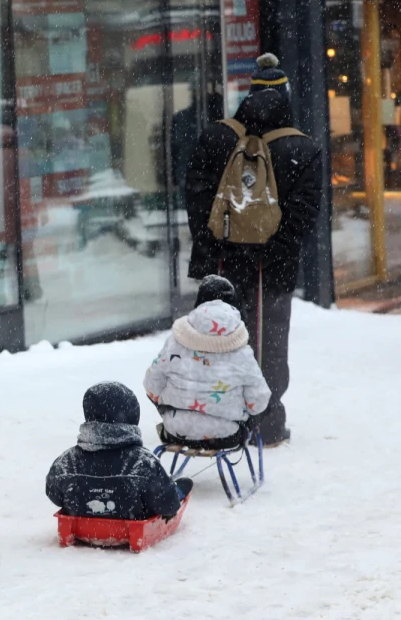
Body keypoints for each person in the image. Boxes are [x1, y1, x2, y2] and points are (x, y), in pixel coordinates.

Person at [185, 53, 322, 446]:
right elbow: (304, 213)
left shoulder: (216, 136)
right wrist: (273, 250)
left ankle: (214, 421)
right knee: (269, 342)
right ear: (287, 96)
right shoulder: (301, 147)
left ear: (249, 94)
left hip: (222, 261)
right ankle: (266, 423)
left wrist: (215, 244)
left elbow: (195, 198)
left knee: (216, 339)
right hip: (272, 268)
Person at [144, 275, 272, 446]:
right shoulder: (241, 351)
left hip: (176, 431)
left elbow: (151, 384)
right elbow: (259, 400)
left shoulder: (175, 342)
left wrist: (174, 407)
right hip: (225, 435)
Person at [46, 382, 188, 521]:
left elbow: (55, 495)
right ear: (132, 415)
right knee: (184, 485)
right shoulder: (143, 462)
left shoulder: (66, 460)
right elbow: (168, 505)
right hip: (133, 530)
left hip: (80, 526)